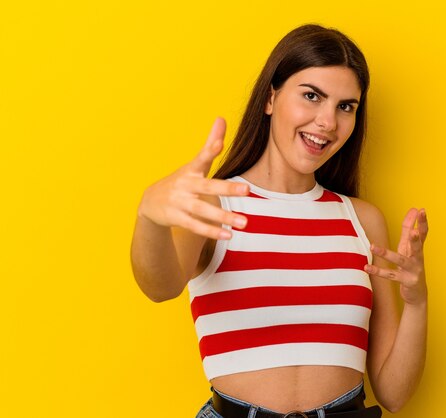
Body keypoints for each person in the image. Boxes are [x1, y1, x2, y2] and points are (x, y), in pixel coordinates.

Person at [131, 24, 428, 418]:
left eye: (345, 106)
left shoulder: (362, 219)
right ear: (271, 98)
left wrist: (418, 301)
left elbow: (392, 393)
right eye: (311, 96)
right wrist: (149, 215)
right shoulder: (215, 200)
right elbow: (160, 286)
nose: (327, 122)